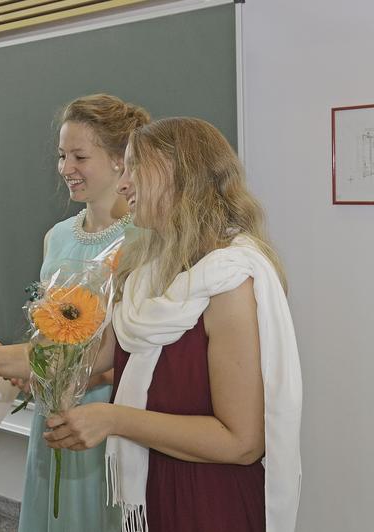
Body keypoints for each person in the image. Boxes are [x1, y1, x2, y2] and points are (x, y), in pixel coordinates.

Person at [29, 117, 302, 531]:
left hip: (211, 502)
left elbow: (241, 442)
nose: (124, 184)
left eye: (136, 168)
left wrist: (114, 419)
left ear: (181, 177)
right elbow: (84, 352)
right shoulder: (150, 275)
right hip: (155, 490)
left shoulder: (231, 281)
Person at [9, 94, 150, 532]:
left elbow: (144, 345)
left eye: (80, 156)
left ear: (118, 161)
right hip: (52, 410)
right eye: (62, 155)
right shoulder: (55, 237)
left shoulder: (144, 239)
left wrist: (88, 376)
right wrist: (35, 370)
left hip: (104, 413)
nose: (65, 167)